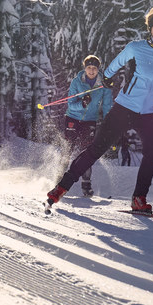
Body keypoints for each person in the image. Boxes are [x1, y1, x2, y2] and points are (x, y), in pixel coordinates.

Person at [47, 7, 153, 213]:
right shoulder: (136, 47)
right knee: (97, 149)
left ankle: (139, 198)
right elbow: (114, 64)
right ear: (150, 28)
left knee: (152, 154)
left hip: (150, 111)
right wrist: (108, 77)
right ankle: (61, 187)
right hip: (125, 107)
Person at [62, 54, 113, 197]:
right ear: (85, 68)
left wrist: (110, 120)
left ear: (98, 69)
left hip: (90, 120)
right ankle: (59, 182)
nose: (91, 71)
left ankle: (86, 185)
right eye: (89, 68)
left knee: (86, 153)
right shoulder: (76, 82)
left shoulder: (103, 84)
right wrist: (82, 103)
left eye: (94, 68)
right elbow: (71, 104)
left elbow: (108, 104)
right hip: (73, 117)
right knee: (68, 149)